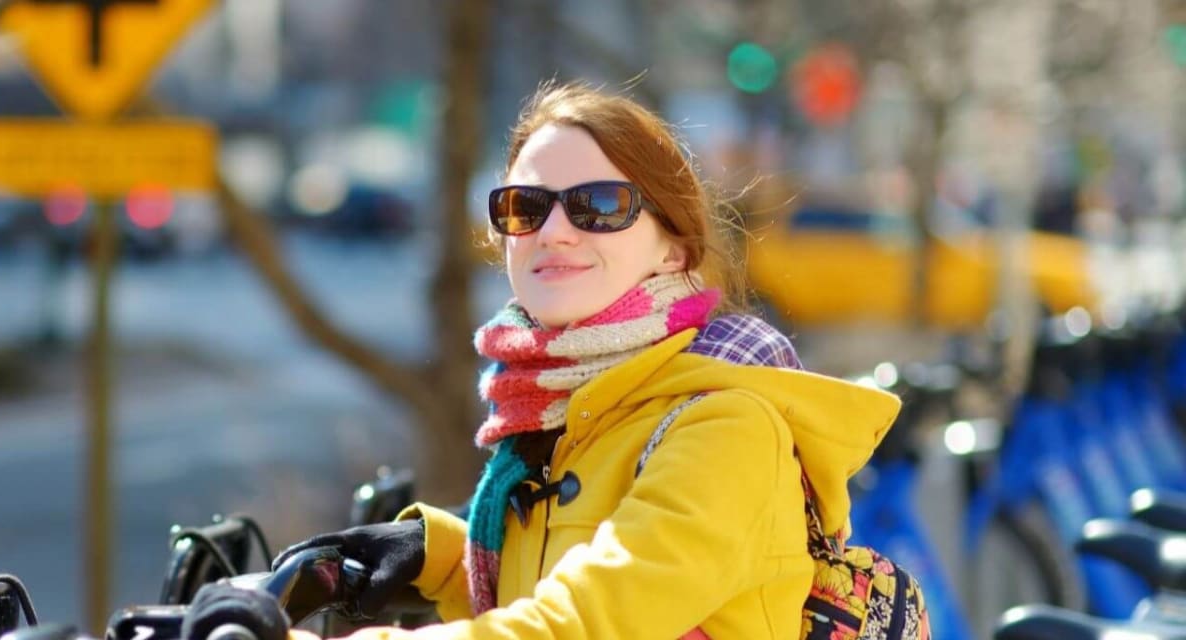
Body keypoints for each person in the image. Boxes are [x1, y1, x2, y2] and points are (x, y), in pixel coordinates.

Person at [182, 80, 904, 640]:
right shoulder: (567, 414)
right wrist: (429, 551)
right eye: (528, 207)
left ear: (673, 247)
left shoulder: (725, 428)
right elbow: (562, 576)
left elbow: (587, 620)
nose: (555, 231)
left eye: (599, 204)